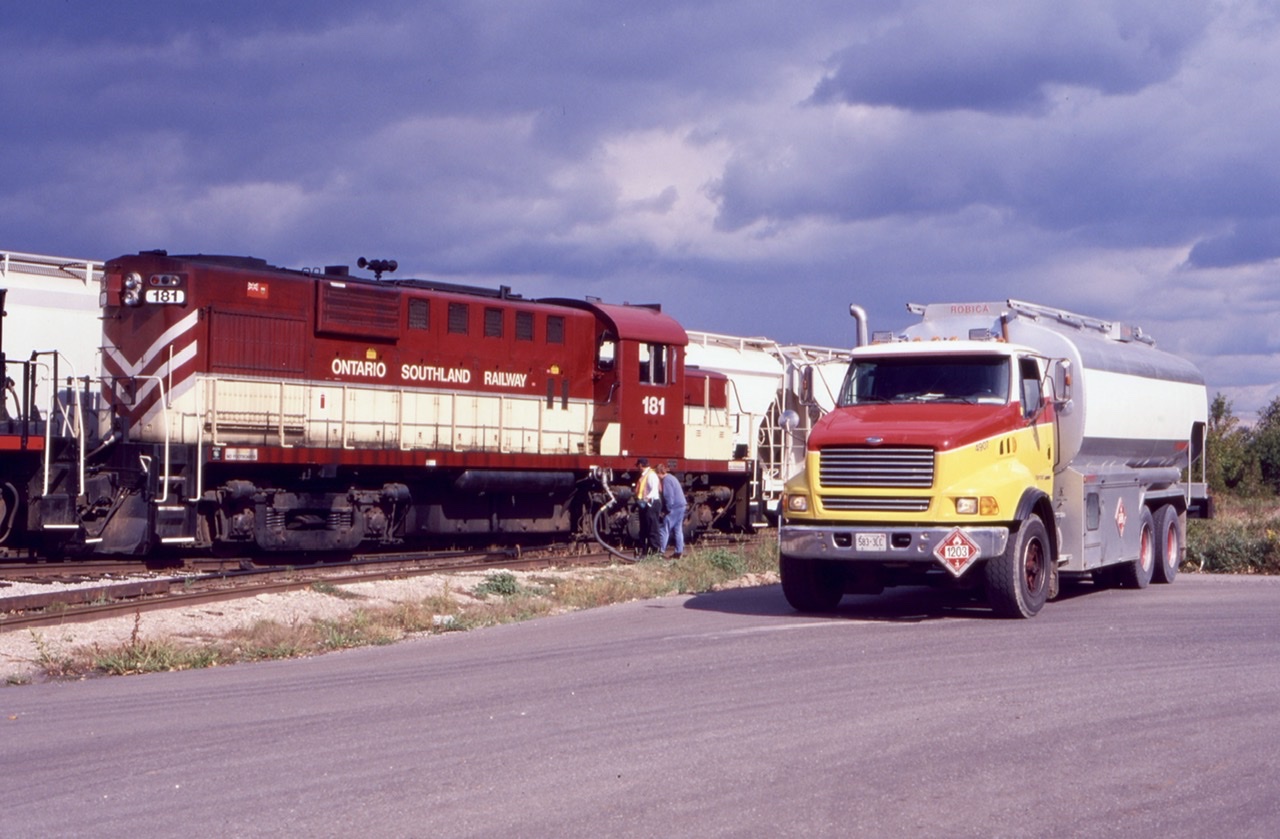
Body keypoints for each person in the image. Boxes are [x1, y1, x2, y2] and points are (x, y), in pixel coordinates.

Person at [655, 462, 687, 559]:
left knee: (664, 529)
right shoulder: (672, 477)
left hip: (674, 507)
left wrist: (667, 510)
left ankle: (660, 552)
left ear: (659, 473)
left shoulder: (666, 480)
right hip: (681, 505)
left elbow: (668, 497)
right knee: (678, 530)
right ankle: (679, 552)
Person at [634, 457, 662, 556]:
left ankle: (656, 552)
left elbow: (654, 490)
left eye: (638, 465)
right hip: (646, 505)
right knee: (645, 529)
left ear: (641, 465)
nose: (637, 467)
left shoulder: (651, 475)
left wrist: (645, 500)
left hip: (651, 504)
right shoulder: (645, 475)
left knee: (652, 528)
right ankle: (647, 551)